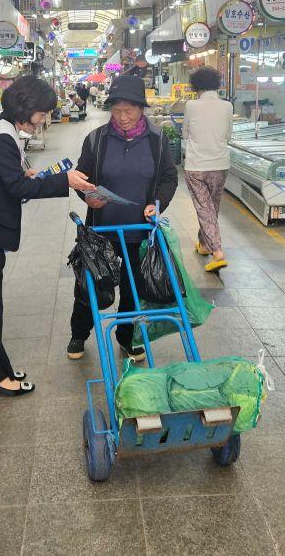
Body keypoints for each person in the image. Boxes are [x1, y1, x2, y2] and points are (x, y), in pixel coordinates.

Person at [0, 76, 95, 398]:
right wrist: (64, 181)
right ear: (25, 107)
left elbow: (6, 179)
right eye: (42, 113)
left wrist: (23, 173)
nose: (44, 119)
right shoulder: (3, 139)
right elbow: (16, 188)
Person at [67, 75, 179, 361]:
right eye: (116, 111)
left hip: (138, 229)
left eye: (129, 110)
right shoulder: (96, 140)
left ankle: (126, 338)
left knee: (132, 288)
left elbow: (168, 177)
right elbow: (82, 177)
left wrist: (158, 203)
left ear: (142, 109)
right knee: (90, 283)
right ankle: (79, 334)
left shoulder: (157, 140)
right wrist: (87, 196)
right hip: (102, 227)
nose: (122, 117)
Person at [183, 67, 234, 272]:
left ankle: (217, 252)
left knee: (204, 208)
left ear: (195, 85)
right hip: (220, 164)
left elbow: (185, 134)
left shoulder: (191, 105)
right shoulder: (228, 106)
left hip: (196, 166)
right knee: (212, 207)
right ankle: (204, 244)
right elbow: (228, 135)